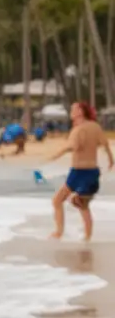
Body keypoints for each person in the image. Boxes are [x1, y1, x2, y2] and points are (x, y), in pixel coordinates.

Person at [49, 99, 113, 241]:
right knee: (82, 205)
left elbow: (73, 146)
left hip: (78, 172)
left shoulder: (78, 129)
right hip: (92, 172)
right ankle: (87, 237)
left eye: (73, 109)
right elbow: (105, 144)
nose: (71, 112)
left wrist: (54, 156)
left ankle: (59, 233)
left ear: (80, 112)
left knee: (59, 201)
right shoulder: (95, 127)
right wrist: (111, 161)